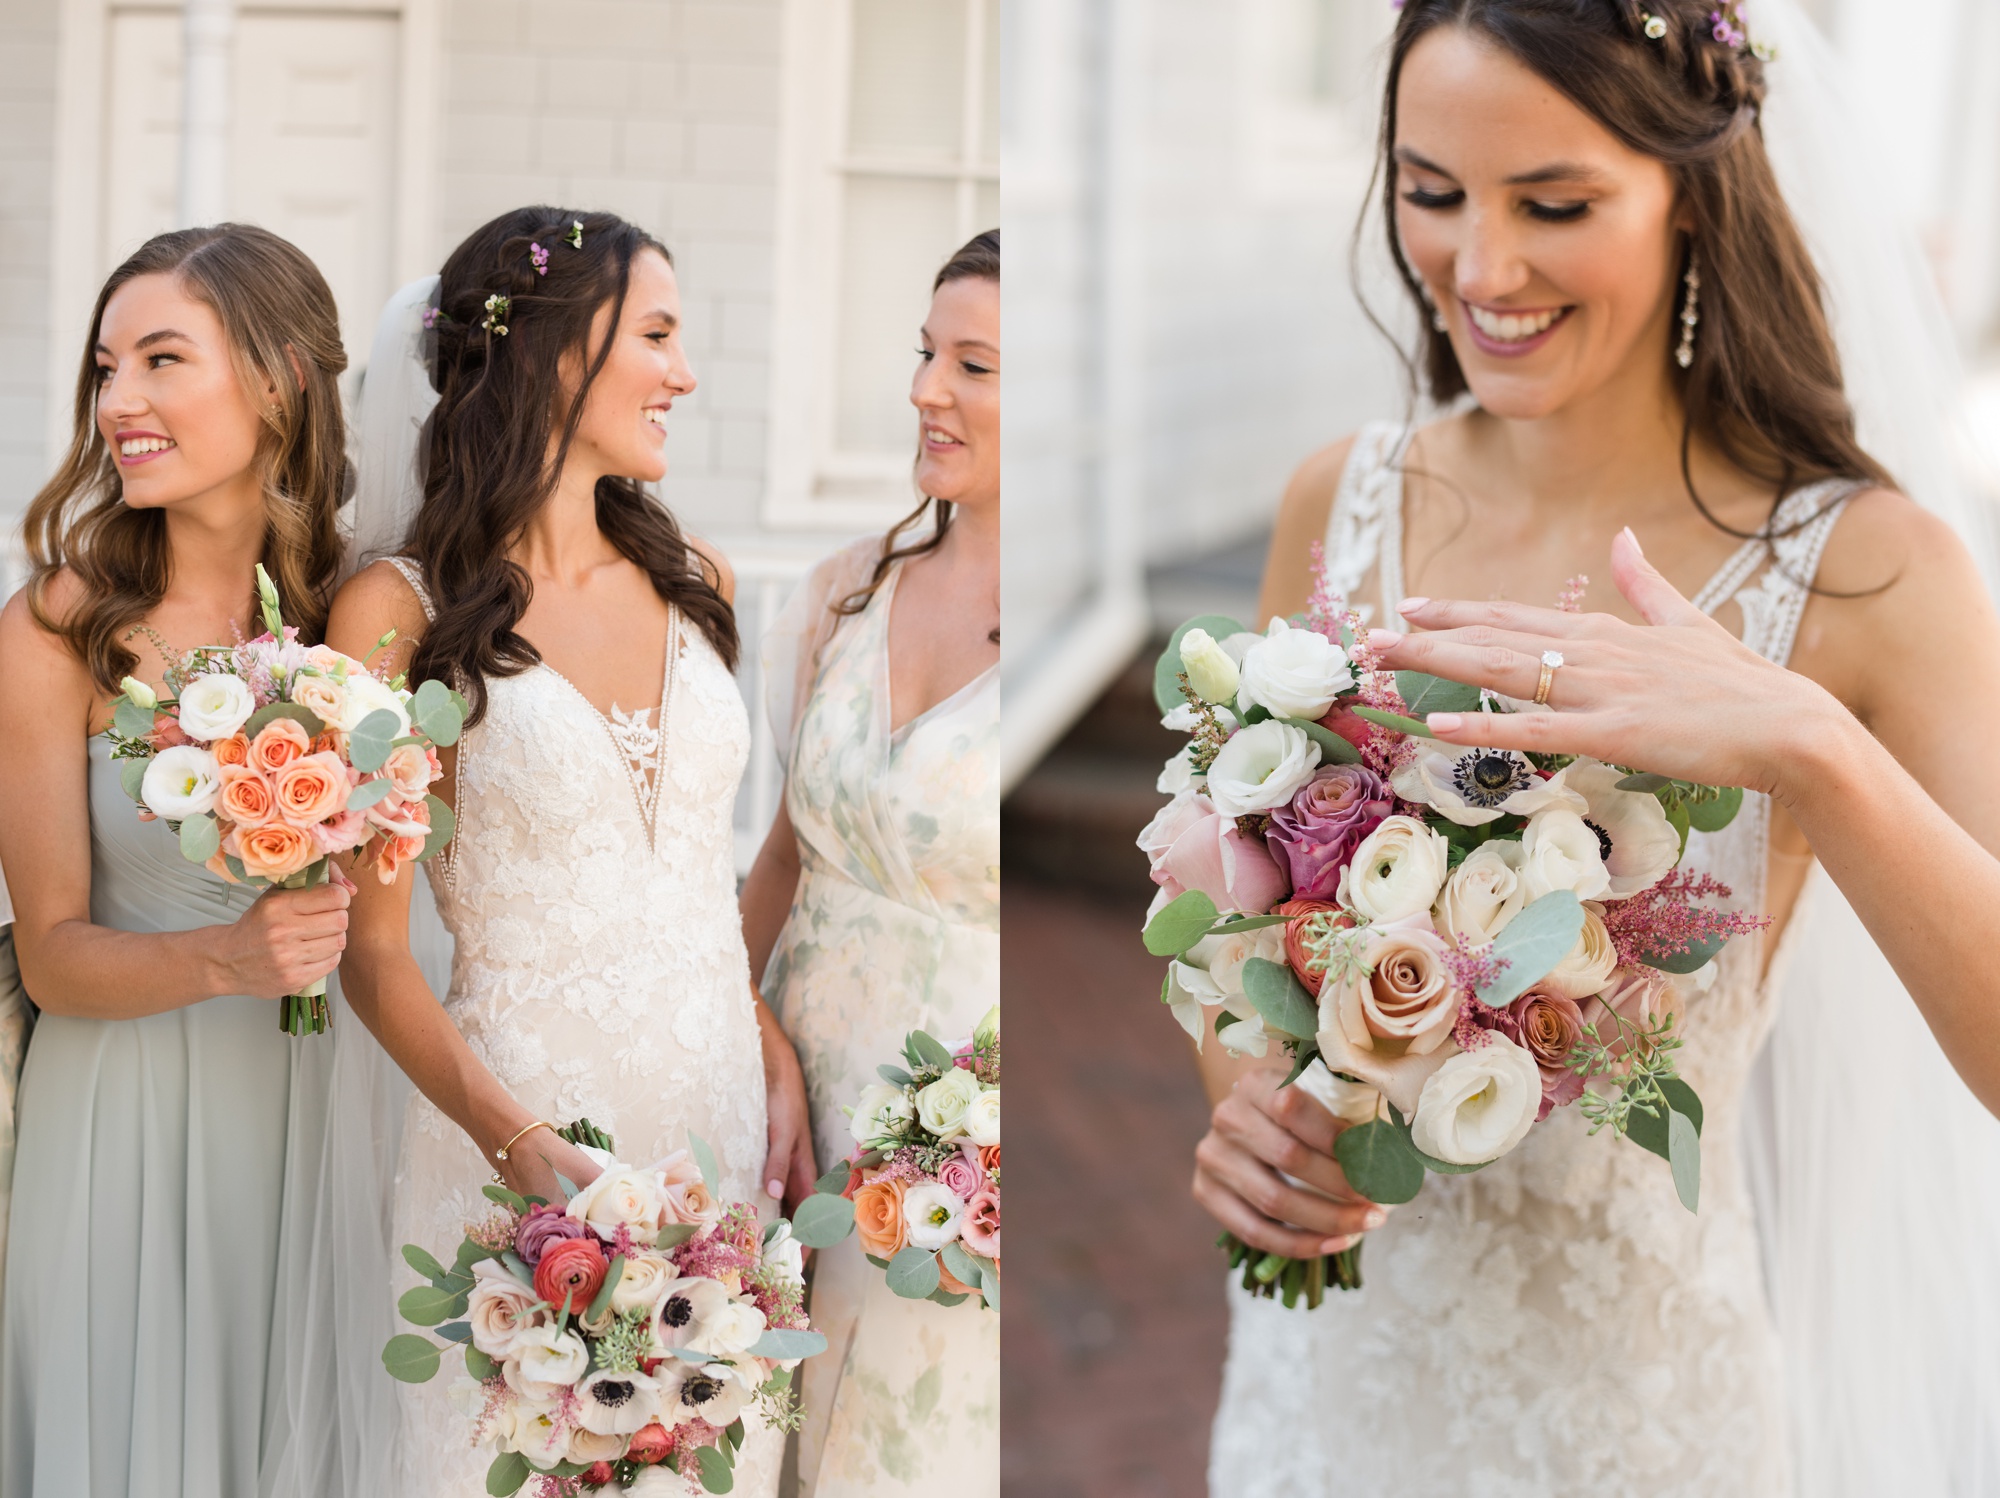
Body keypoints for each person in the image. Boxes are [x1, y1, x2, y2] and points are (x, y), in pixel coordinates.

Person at [1190, 4, 2000, 1494]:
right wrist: (1245, 1108)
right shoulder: (1339, 503)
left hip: (1634, 1416)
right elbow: (1245, 931)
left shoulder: (1877, 574)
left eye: (1552, 204)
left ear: (1695, 193)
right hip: (1327, 1390)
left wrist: (1818, 748)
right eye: (1432, 193)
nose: (1481, 271)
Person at [321, 207, 812, 1497]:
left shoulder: (691, 575)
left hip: (709, 1128)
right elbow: (370, 960)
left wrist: (759, 1038)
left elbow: (696, 880)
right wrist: (512, 1137)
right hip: (522, 1147)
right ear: (550, 352)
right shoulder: (395, 612)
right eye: (656, 334)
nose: (685, 373)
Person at [0, 225, 353, 1498]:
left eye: (160, 360)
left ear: (279, 383)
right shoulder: (56, 626)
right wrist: (225, 953)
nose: (118, 404)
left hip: (324, 1126)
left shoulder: (359, 616)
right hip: (127, 1132)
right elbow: (50, 954)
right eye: (106, 368)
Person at [741, 230, 1000, 1497]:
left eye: (975, 364)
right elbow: (781, 854)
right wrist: (740, 1026)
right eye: (924, 353)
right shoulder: (842, 593)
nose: (925, 390)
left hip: (954, 1157)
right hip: (784, 1116)